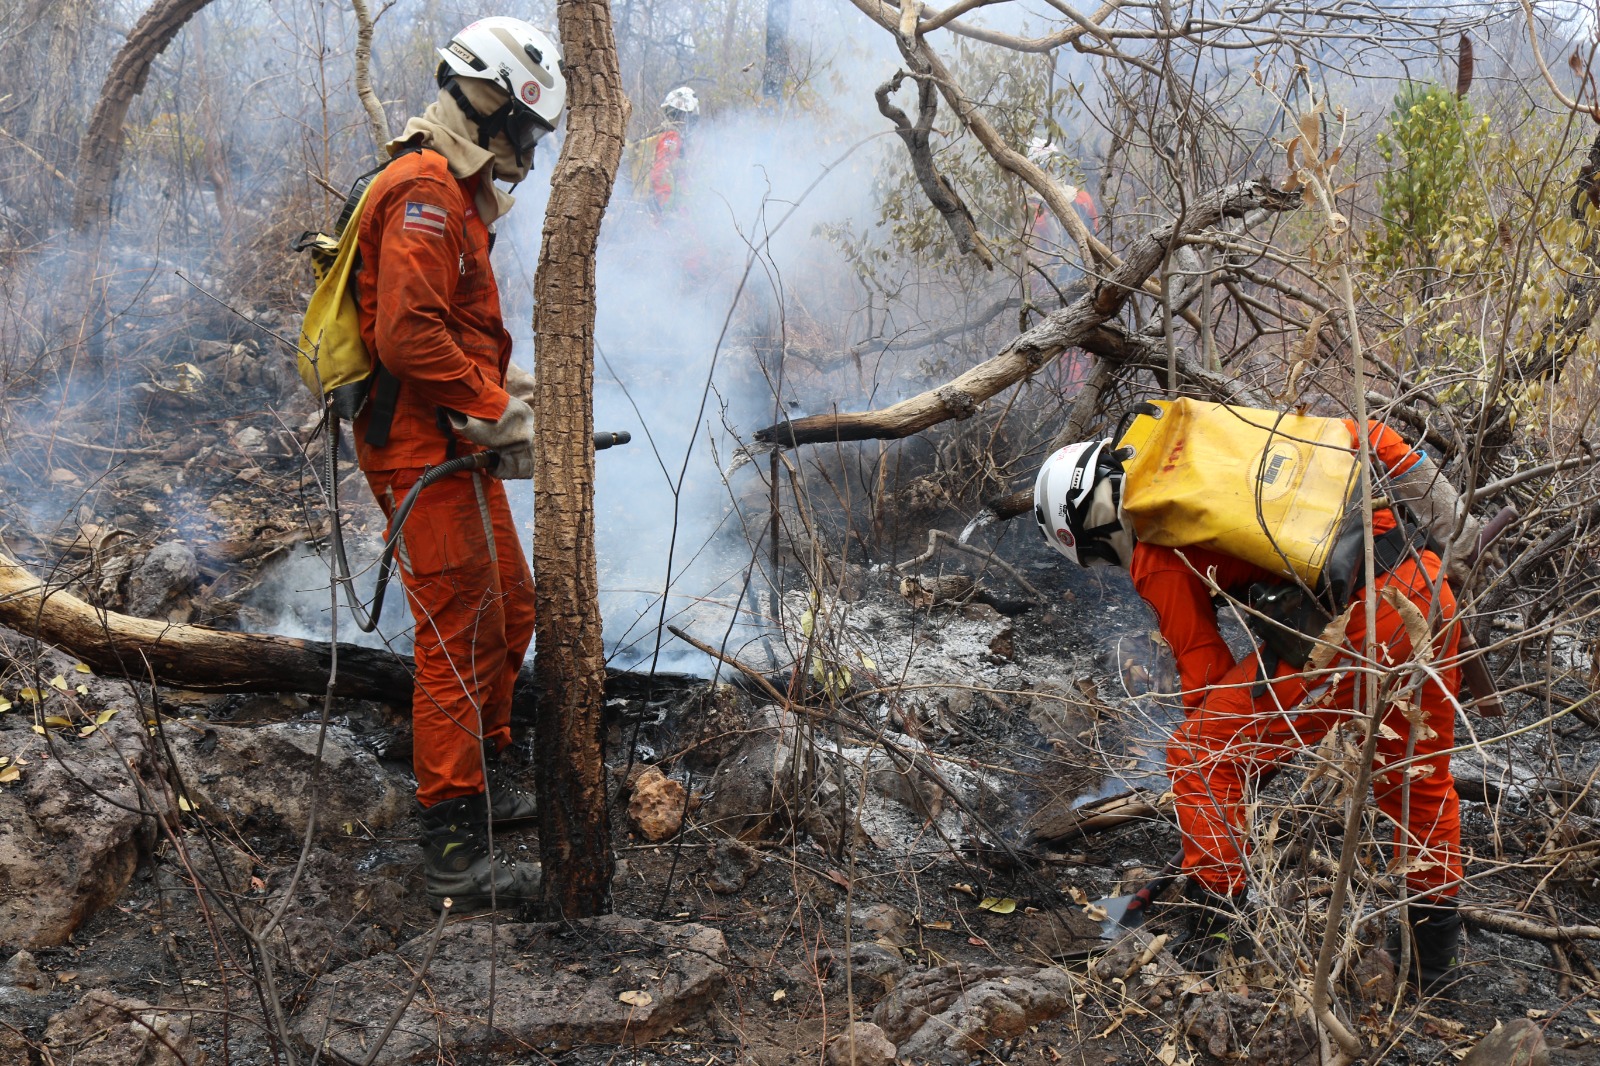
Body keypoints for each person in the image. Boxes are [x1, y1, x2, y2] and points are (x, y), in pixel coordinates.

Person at [1034, 406, 1482, 989]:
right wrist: (1453, 519)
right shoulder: (1218, 445)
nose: (1108, 562)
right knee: (1414, 779)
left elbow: (1203, 672)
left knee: (1199, 757)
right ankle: (1432, 964)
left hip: (1362, 625)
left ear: (1092, 521)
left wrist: (1232, 768)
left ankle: (1216, 934)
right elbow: (1366, 432)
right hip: (1428, 592)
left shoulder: (1155, 542)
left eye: (1096, 553)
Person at [351, 17, 565, 912]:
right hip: (416, 444)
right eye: (527, 124)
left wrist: (523, 391)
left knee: (510, 604)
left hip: (448, 439)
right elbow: (408, 337)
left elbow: (453, 329)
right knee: (460, 630)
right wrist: (497, 412)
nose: (529, 145)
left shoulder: (450, 188)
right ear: (493, 102)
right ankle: (453, 848)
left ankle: (487, 772)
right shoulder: (424, 190)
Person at [627, 86, 699, 216]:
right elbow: (661, 172)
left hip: (650, 204)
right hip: (659, 209)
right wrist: (665, 210)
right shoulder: (671, 137)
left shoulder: (660, 133)